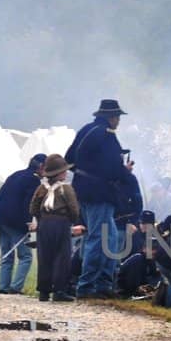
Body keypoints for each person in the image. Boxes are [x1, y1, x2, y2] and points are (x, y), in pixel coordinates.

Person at [66, 99, 135, 298]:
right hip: (100, 194)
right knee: (99, 239)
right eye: (118, 117)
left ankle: (104, 284)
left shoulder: (86, 130)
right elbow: (113, 168)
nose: (118, 121)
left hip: (83, 190)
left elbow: (69, 158)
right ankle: (87, 287)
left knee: (109, 239)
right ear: (112, 117)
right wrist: (125, 173)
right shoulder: (106, 135)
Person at [29, 154, 82, 303]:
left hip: (44, 224)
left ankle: (44, 292)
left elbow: (33, 208)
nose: (66, 173)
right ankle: (59, 290)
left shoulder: (41, 188)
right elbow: (74, 209)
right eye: (64, 171)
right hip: (61, 223)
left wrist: (41, 219)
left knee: (44, 256)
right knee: (61, 257)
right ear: (59, 173)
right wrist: (71, 221)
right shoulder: (66, 189)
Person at [0, 153, 45, 294]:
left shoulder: (15, 175)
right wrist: (28, 222)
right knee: (25, 256)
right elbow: (28, 203)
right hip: (16, 222)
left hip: (1, 220)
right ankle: (15, 288)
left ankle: (3, 287)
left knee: (6, 256)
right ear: (40, 167)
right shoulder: (33, 181)